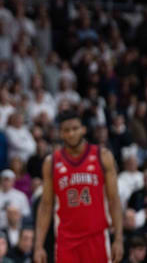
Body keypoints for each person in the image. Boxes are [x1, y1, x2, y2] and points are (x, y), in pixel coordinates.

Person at [34, 110, 124, 263]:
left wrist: (119, 239)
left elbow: (114, 200)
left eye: (75, 128)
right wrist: (38, 246)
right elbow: (45, 205)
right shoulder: (51, 162)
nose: (71, 134)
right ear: (60, 133)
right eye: (66, 130)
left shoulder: (102, 156)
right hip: (66, 241)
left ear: (83, 129)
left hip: (97, 237)